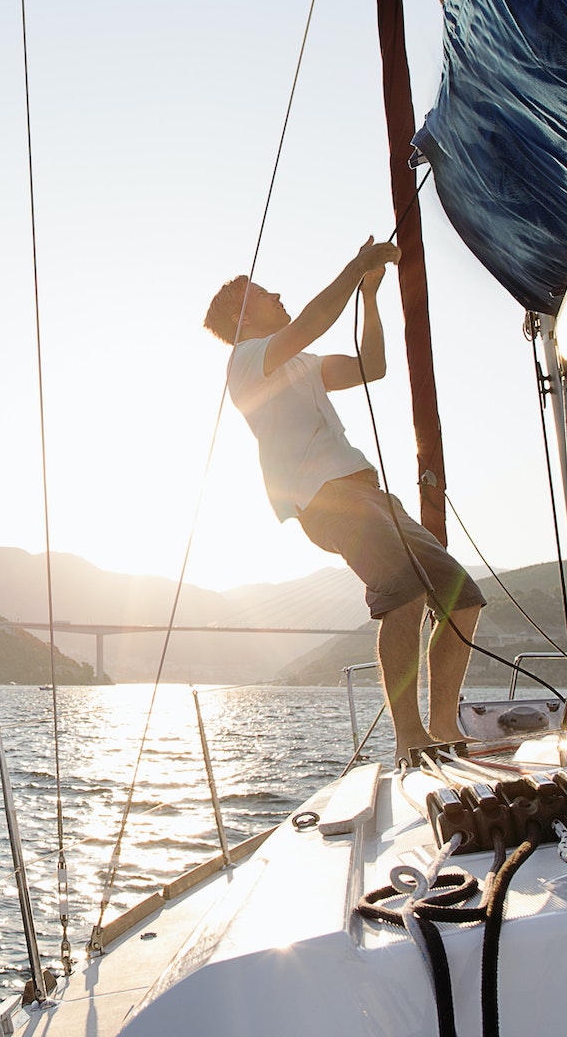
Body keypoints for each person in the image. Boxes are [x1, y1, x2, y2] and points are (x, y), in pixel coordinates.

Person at [205, 240, 484, 761]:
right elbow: (311, 321)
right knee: (402, 593)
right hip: (326, 500)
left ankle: (443, 724)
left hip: (370, 495)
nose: (279, 294)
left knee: (460, 596)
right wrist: (356, 267)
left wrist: (371, 295)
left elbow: (370, 366)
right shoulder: (245, 363)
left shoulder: (303, 364)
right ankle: (409, 738)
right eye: (266, 293)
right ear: (244, 316)